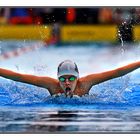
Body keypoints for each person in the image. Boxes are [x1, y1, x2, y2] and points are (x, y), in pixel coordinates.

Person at [0, 60, 140, 97]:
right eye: (62, 79)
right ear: (57, 79)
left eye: (71, 78)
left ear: (77, 78)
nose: (67, 82)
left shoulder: (85, 83)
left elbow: (117, 72)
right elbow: (18, 77)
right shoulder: (51, 85)